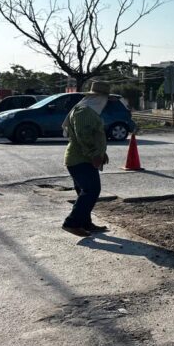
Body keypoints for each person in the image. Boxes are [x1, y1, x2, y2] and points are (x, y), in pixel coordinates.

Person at [61, 81, 113, 237]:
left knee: (84, 192)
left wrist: (101, 153)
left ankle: (85, 223)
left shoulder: (88, 110)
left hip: (82, 159)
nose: (106, 102)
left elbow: (92, 135)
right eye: (105, 98)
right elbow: (83, 136)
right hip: (80, 159)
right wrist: (95, 154)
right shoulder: (84, 111)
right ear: (99, 97)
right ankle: (71, 223)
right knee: (91, 190)